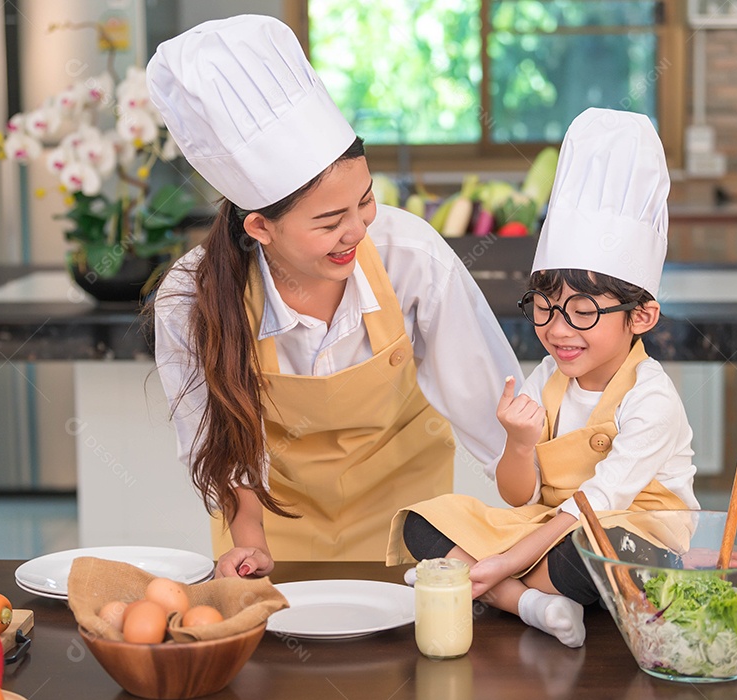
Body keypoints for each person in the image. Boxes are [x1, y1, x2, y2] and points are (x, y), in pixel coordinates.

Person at [146, 15, 522, 576]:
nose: (358, 230)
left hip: (407, 534)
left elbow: (499, 422)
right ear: (260, 228)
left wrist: (536, 538)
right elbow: (218, 448)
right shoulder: (191, 297)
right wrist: (248, 541)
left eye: (365, 201)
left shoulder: (410, 257)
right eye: (329, 222)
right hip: (269, 534)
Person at [386, 108, 701, 648]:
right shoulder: (548, 378)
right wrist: (519, 442)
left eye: (583, 311)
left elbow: (600, 503)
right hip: (546, 527)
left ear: (641, 316)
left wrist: (503, 557)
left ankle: (481, 581)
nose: (559, 331)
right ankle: (529, 602)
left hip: (629, 532)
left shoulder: (652, 399)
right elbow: (519, 497)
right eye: (546, 308)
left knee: (600, 553)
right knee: (426, 522)